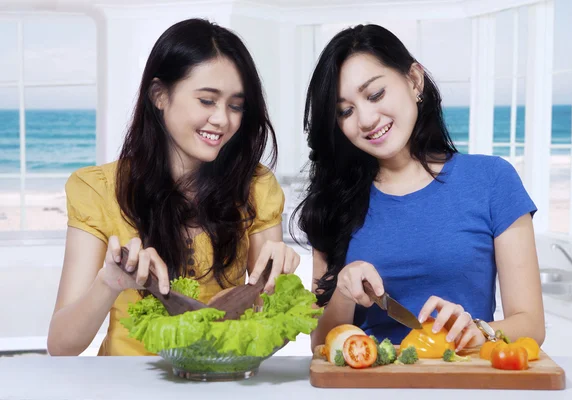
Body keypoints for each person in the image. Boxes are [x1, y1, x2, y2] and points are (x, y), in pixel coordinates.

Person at [47, 18, 299, 356]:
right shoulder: (98, 190)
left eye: (236, 105)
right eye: (207, 101)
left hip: (221, 381)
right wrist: (108, 284)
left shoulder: (255, 187)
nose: (223, 119)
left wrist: (275, 285)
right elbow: (62, 345)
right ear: (159, 95)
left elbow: (268, 331)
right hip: (128, 385)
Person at [293, 24, 545, 352]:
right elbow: (321, 343)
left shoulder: (492, 180)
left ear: (414, 80)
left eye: (375, 94)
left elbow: (531, 324)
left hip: (465, 381)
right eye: (345, 111)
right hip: (370, 385)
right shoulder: (333, 202)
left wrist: (479, 331)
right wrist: (342, 291)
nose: (366, 119)